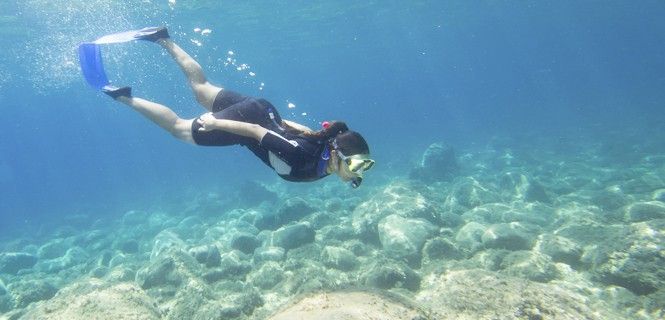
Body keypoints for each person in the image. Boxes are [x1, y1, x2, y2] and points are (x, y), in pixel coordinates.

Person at [102, 27, 374, 188]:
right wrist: (216, 123)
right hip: (249, 123)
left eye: (365, 166)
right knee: (179, 129)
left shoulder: (323, 147)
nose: (359, 172)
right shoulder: (302, 157)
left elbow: (299, 129)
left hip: (261, 110)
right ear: (337, 155)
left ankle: (162, 37)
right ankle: (123, 97)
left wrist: (274, 120)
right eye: (357, 164)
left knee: (202, 89)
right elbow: (255, 132)